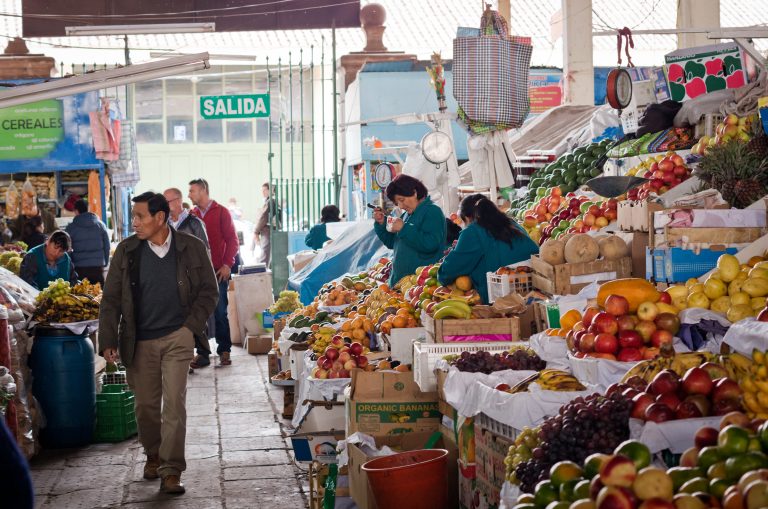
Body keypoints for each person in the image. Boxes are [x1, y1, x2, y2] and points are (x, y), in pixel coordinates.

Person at [99, 192, 218, 495]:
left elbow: (209, 291)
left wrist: (190, 328)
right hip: (139, 341)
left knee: (174, 405)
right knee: (146, 408)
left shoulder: (191, 248)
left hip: (178, 336)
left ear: (160, 218)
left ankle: (171, 470)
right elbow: (111, 299)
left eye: (140, 216)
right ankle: (153, 454)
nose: (134, 223)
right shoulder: (126, 252)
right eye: (134, 216)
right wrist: (108, 339)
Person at [438, 194, 539, 304]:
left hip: (499, 302)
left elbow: (446, 273)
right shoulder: (513, 224)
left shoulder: (473, 232)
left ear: (467, 218)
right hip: (533, 292)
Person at [188, 178, 239, 366]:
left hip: (218, 272)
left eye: (192, 191)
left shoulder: (221, 212)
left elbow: (232, 240)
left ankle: (224, 350)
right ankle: (202, 353)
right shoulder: (191, 216)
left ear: (203, 191)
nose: (189, 195)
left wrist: (227, 264)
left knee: (219, 313)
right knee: (199, 314)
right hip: (197, 274)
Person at [164, 187, 212, 369]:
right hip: (172, 277)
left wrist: (203, 278)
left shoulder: (194, 223)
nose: (166, 205)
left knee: (196, 314)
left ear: (178, 201)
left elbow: (205, 251)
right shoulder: (164, 225)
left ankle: (203, 353)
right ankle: (185, 353)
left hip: (192, 277)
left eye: (168, 201)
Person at [373, 174, 446, 286]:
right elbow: (393, 243)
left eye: (402, 200)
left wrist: (403, 228)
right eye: (398, 203)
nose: (401, 206)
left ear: (414, 192)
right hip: (400, 285)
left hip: (419, 287)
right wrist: (382, 223)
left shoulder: (432, 212)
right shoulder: (406, 215)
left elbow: (430, 244)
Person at [65, 199, 110, 286]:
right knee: (99, 295)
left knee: (82, 295)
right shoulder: (101, 225)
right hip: (97, 267)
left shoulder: (71, 228)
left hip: (79, 268)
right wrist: (105, 262)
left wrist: (70, 266)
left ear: (76, 211)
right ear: (88, 209)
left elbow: (67, 250)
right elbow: (107, 247)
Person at [253, 183, 281, 267]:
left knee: (265, 255)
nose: (263, 192)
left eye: (265, 190)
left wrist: (256, 231)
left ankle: (264, 273)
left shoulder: (270, 201)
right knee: (270, 254)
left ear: (271, 190)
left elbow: (263, 217)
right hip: (273, 229)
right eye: (262, 191)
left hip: (268, 230)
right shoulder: (275, 200)